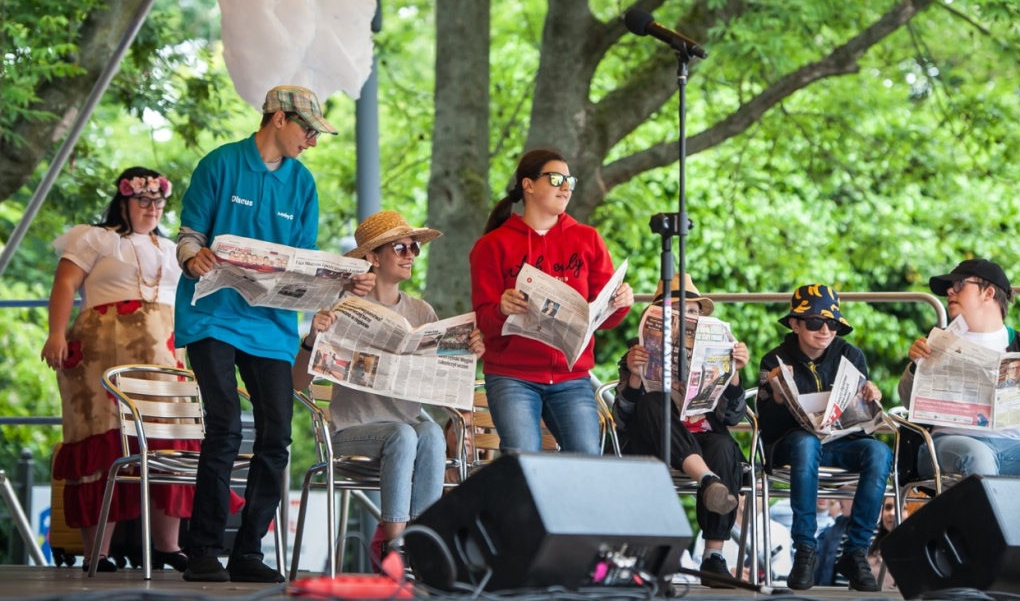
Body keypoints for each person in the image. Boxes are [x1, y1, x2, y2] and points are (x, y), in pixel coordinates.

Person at [174, 85, 374, 583]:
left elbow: (303, 263)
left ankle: (248, 553)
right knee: (224, 427)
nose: (312, 141)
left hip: (271, 326)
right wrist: (192, 259)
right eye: (308, 130)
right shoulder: (219, 164)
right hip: (213, 314)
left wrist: (347, 274)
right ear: (278, 119)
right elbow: (189, 236)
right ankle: (201, 550)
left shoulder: (303, 184)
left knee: (276, 438)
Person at [293, 211, 485, 570]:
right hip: (351, 432)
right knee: (404, 433)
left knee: (428, 431)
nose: (410, 253)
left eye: (413, 247)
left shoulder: (421, 311)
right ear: (372, 257)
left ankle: (422, 538)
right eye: (400, 247)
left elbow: (441, 376)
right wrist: (312, 339)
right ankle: (395, 546)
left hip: (406, 430)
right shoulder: (341, 308)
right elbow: (297, 384)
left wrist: (468, 350)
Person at [40, 167, 195, 573]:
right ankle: (98, 551)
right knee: (102, 444)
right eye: (143, 200)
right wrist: (56, 333)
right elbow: (64, 285)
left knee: (169, 441)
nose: (152, 208)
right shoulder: (95, 239)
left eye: (158, 201)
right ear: (124, 200)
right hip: (100, 358)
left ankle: (167, 545)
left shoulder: (172, 249)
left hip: (162, 358)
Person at [469, 148, 634, 454]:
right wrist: (502, 309)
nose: (566, 186)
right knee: (521, 455)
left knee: (587, 457)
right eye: (556, 178)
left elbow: (606, 319)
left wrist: (620, 303)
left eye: (569, 179)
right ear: (528, 185)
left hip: (571, 377)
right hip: (512, 375)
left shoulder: (587, 239)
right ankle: (520, 504)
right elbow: (484, 322)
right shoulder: (491, 246)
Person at [613, 274, 750, 586]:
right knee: (652, 403)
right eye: (676, 309)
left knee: (725, 447)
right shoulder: (635, 352)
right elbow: (622, 418)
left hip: (702, 438)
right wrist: (635, 378)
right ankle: (708, 479)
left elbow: (732, 417)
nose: (687, 315)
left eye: (692, 310)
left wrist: (736, 377)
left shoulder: (719, 350)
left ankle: (713, 557)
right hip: (654, 441)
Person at [756, 284, 890, 592]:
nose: (825, 329)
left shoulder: (851, 355)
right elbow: (769, 428)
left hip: (841, 442)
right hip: (793, 446)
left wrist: (871, 398)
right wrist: (776, 397)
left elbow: (862, 423)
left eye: (832, 323)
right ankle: (805, 549)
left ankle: (855, 552)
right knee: (806, 442)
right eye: (816, 322)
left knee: (880, 453)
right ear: (796, 324)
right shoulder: (773, 361)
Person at [898, 258, 1020, 480]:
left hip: (1014, 447)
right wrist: (914, 367)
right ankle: (991, 516)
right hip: (948, 444)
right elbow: (909, 402)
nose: (949, 291)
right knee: (978, 456)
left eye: (959, 285)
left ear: (988, 293)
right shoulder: (938, 341)